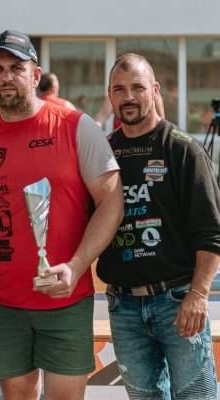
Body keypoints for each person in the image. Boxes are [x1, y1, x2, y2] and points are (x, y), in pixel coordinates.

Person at [0, 30, 124, 400]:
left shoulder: (77, 126)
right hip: (1, 301)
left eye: (16, 68)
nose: (6, 77)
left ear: (35, 75)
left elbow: (112, 203)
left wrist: (77, 266)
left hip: (65, 296)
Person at [97, 53, 220, 399]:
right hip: (124, 306)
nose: (129, 97)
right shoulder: (104, 154)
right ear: (110, 95)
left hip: (178, 301)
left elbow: (211, 233)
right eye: (119, 89)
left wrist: (198, 295)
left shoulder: (183, 149)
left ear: (155, 90)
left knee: (195, 396)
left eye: (138, 87)